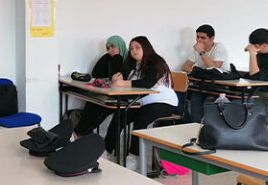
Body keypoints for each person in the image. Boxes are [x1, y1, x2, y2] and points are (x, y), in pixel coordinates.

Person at [108, 36, 179, 167]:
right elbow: (121, 78)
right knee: (119, 115)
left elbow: (147, 83)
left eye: (137, 47)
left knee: (141, 118)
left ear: (145, 47)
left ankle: (134, 156)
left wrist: (122, 83)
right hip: (143, 102)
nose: (133, 51)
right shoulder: (132, 63)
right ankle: (107, 151)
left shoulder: (156, 61)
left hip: (165, 101)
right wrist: (115, 79)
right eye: (131, 48)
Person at [72, 36, 127, 139]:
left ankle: (79, 134)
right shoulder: (109, 58)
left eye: (113, 47)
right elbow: (96, 73)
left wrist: (116, 58)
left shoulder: (127, 61)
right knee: (92, 102)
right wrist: (108, 57)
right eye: (108, 48)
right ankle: (81, 134)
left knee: (100, 107)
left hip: (123, 97)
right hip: (110, 94)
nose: (110, 50)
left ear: (120, 46)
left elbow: (116, 78)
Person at [180, 24, 229, 122]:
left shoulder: (219, 47)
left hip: (219, 86)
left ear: (212, 38)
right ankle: (194, 129)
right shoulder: (197, 49)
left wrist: (202, 53)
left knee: (208, 103)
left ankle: (207, 131)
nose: (199, 40)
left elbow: (215, 68)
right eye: (197, 37)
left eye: (203, 38)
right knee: (194, 98)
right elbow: (185, 66)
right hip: (204, 85)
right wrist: (201, 72)